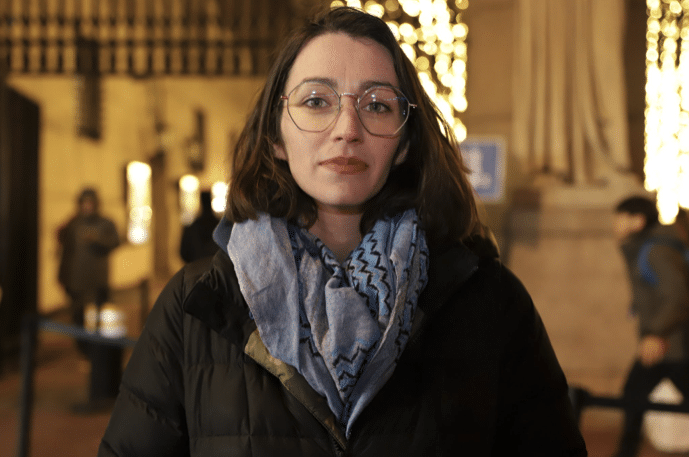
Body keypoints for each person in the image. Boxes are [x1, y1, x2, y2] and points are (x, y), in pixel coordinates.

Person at [99, 7, 587, 456]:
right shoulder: (198, 304)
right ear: (276, 137)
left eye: (377, 105)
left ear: (403, 142)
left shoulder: (489, 302)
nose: (347, 127)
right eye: (317, 101)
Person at [610, 196, 689, 457]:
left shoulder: (655, 251)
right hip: (669, 344)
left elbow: (677, 296)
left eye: (620, 217)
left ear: (637, 221)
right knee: (634, 395)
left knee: (633, 395)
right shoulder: (644, 249)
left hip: (673, 344)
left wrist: (656, 333)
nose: (614, 224)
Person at [58, 187, 120, 336]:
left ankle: (97, 347)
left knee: (98, 315)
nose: (87, 206)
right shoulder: (74, 223)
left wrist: (96, 239)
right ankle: (82, 344)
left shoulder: (105, 223)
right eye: (84, 203)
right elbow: (66, 248)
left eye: (90, 203)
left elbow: (114, 241)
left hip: (97, 278)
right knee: (77, 315)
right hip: (76, 278)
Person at [179, 190, 221, 263]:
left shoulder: (192, 227)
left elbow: (184, 252)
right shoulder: (220, 226)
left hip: (196, 268)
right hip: (216, 269)